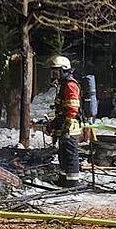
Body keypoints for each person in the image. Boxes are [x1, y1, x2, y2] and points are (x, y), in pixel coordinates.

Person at [46, 55, 83, 188]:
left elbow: (72, 108)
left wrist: (66, 125)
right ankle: (63, 179)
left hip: (70, 127)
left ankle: (72, 182)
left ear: (63, 70)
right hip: (64, 125)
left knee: (70, 155)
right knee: (63, 154)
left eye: (56, 71)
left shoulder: (70, 85)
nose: (53, 74)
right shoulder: (63, 85)